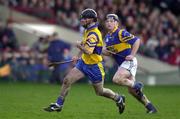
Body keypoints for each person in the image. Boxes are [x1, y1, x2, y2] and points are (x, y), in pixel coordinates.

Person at [44, 9, 125, 114]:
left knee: (100, 92)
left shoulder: (93, 34)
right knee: (67, 80)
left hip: (95, 67)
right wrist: (77, 56)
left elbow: (88, 51)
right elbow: (84, 45)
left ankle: (118, 98)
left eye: (85, 18)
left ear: (91, 20)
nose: (82, 20)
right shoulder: (88, 30)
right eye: (82, 18)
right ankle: (58, 104)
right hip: (83, 63)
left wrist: (78, 46)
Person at [103, 14, 157, 114]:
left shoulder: (120, 32)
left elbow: (137, 41)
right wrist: (98, 50)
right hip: (122, 65)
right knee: (132, 91)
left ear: (116, 23)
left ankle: (137, 85)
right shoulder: (107, 37)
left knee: (116, 79)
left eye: (111, 21)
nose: (109, 23)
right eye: (107, 21)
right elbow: (109, 53)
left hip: (129, 62)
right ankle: (150, 107)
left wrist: (132, 55)